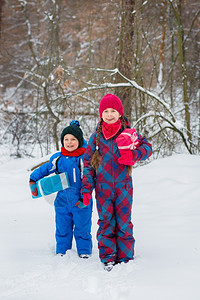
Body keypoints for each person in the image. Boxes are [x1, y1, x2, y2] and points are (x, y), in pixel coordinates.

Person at [81, 94, 152, 271]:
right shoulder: (95, 138)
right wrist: (86, 189)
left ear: (119, 113)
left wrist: (134, 155)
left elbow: (148, 148)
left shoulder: (129, 134)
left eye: (113, 111)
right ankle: (108, 258)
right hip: (103, 189)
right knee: (106, 222)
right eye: (106, 111)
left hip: (124, 188)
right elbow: (88, 165)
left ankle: (126, 257)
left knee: (123, 222)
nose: (110, 114)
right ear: (101, 114)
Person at [29, 120, 93, 258]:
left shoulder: (84, 159)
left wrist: (85, 197)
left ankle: (84, 252)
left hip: (81, 201)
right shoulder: (58, 158)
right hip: (62, 201)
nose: (69, 142)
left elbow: (90, 179)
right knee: (62, 228)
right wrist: (33, 179)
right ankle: (62, 251)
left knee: (82, 228)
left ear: (79, 140)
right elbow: (45, 169)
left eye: (73, 139)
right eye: (66, 139)